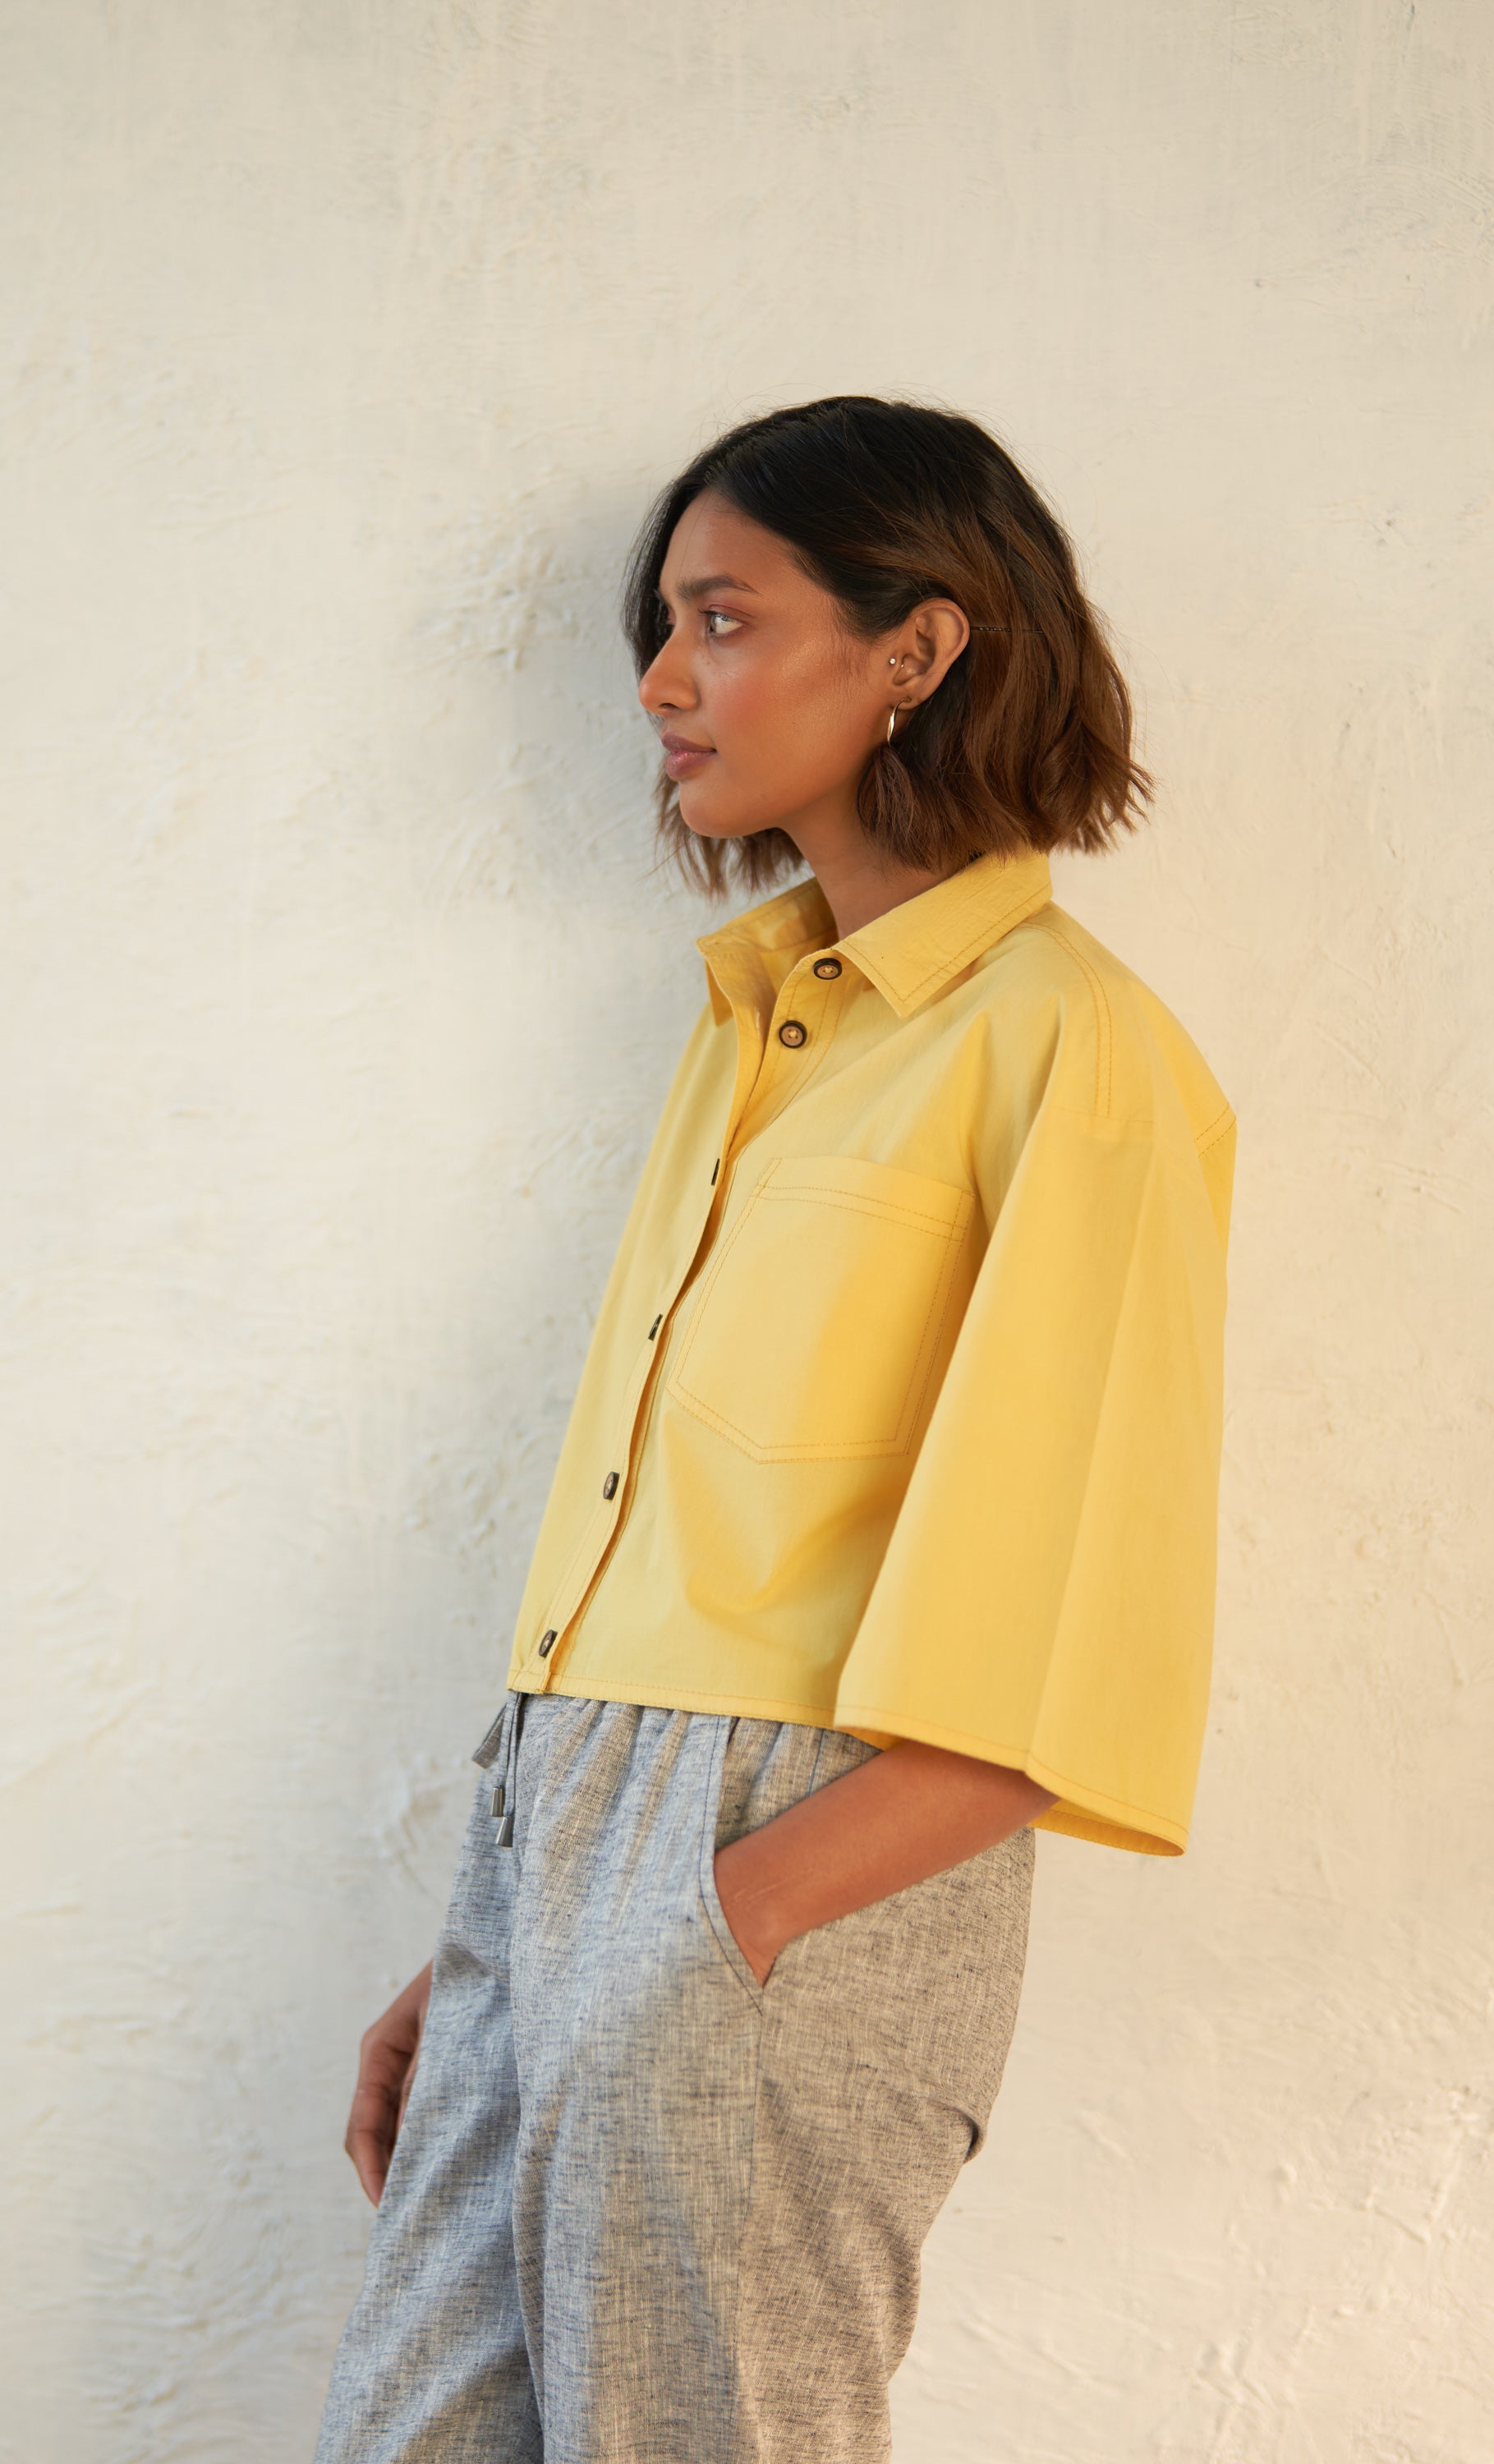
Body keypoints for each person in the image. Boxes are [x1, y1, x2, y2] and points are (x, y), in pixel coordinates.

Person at [313, 396, 1235, 2464]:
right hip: (569, 1828)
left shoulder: (1068, 1052)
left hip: (787, 1853)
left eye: (721, 620)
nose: (660, 680)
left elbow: (1066, 1634)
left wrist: (704, 1931)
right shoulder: (757, 1030)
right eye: (662, 625)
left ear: (917, 647)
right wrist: (506, 1937)